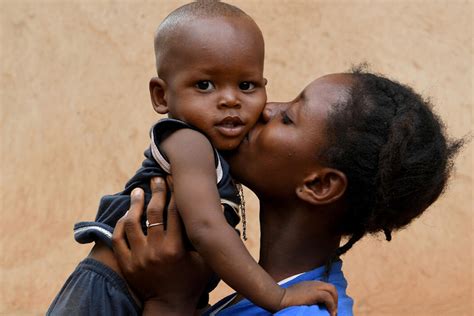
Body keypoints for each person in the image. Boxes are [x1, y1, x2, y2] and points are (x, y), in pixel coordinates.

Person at [48, 1, 338, 315]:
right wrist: (278, 298)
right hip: (104, 295)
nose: (230, 99)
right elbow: (205, 228)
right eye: (204, 85)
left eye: (246, 85)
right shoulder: (190, 142)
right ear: (162, 96)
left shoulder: (211, 151)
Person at [111, 69, 463, 315]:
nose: (265, 108)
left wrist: (168, 302)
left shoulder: (304, 313)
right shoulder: (259, 295)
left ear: (318, 185)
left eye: (289, 118)